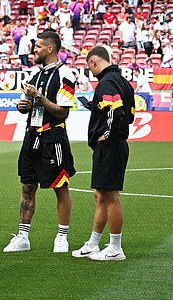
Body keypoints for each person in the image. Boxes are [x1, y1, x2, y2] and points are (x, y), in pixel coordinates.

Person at [3, 29, 76, 253]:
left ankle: (62, 237)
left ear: (50, 48)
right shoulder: (35, 76)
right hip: (31, 135)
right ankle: (23, 236)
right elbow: (28, 103)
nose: (34, 50)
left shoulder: (66, 75)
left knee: (60, 187)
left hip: (53, 136)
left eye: (38, 47)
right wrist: (22, 106)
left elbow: (62, 112)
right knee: (27, 186)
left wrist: (38, 97)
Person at [71, 45, 134, 261]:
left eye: (90, 66)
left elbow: (116, 110)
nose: (90, 70)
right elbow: (130, 114)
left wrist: (106, 134)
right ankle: (94, 244)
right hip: (114, 145)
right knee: (100, 195)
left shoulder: (106, 82)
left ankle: (116, 248)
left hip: (110, 146)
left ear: (94, 62)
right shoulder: (122, 81)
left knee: (110, 196)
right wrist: (96, 109)